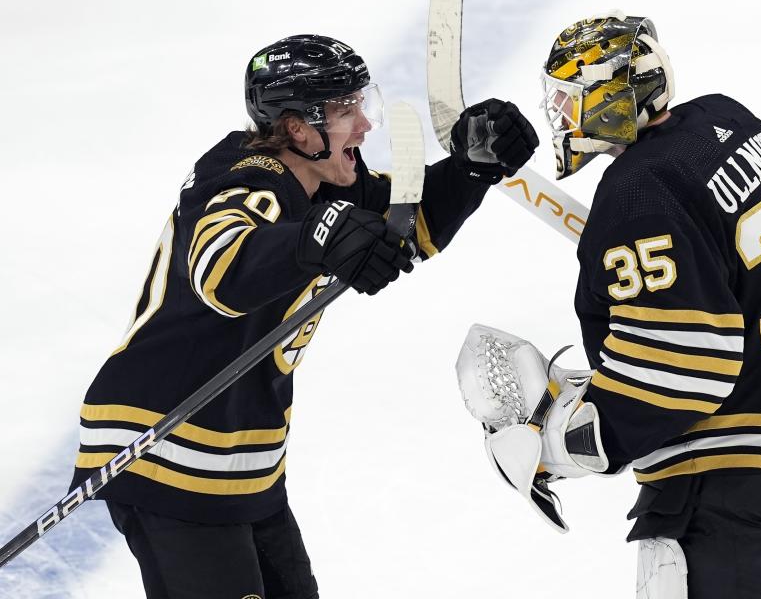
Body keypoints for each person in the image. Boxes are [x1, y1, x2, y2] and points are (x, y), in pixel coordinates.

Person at [69, 34, 538, 599]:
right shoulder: (247, 178)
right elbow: (220, 268)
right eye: (346, 111)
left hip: (242, 460)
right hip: (165, 447)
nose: (364, 125)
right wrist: (316, 241)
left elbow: (400, 226)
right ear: (297, 128)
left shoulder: (324, 182)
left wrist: (469, 168)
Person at [458, 14, 761, 598]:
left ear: (608, 98)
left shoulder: (634, 197)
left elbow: (684, 370)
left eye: (569, 98)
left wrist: (568, 442)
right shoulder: (727, 121)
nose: (559, 114)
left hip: (741, 482)